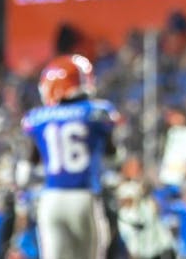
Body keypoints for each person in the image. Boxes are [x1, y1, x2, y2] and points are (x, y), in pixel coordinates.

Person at [20, 54, 120, 259]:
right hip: (83, 197)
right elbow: (112, 156)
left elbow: (28, 168)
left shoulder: (38, 118)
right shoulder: (98, 112)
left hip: (51, 199)